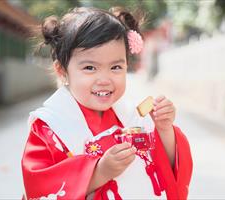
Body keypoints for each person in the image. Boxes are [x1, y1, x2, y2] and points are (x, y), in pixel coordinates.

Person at [21, 6, 192, 200]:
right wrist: (99, 173)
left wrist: (164, 129)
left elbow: (165, 167)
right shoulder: (50, 125)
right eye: (90, 67)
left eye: (116, 67)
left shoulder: (132, 118)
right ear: (62, 70)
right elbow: (39, 186)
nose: (104, 79)